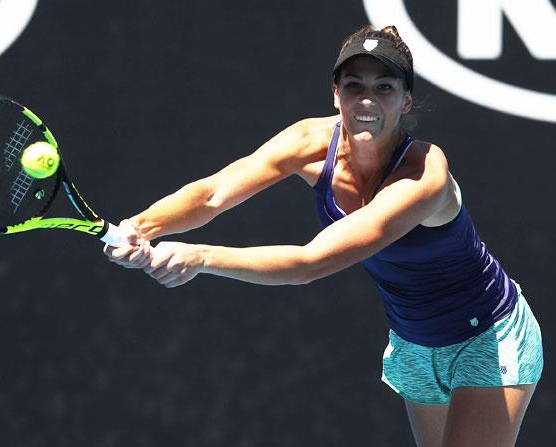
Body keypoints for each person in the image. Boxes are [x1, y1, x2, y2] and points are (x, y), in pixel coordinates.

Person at [104, 25, 543, 447]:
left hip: (487, 335)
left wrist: (200, 256)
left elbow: (309, 263)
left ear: (406, 101)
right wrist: (140, 226)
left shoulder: (425, 175)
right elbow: (214, 191)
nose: (366, 100)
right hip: (413, 342)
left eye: (384, 88)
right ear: (336, 95)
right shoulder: (308, 141)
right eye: (354, 86)